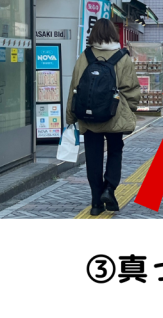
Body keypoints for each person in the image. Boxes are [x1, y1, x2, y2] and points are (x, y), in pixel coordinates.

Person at [65, 19, 141, 216]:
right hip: (113, 116)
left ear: (94, 34)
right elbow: (131, 89)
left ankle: (96, 203)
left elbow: (74, 88)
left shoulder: (85, 56)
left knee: (93, 158)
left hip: (89, 118)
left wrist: (70, 117)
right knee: (115, 151)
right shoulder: (122, 57)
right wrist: (129, 110)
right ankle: (109, 188)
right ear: (114, 35)